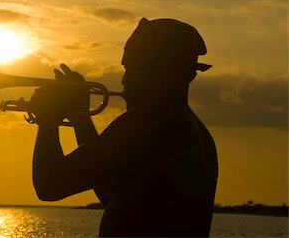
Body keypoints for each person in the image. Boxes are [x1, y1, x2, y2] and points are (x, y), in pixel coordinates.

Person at [30, 18, 218, 237]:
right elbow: (115, 197)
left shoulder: (144, 123)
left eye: (132, 67)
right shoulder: (197, 133)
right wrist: (81, 120)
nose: (124, 80)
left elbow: (49, 185)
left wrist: (48, 118)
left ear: (160, 70)